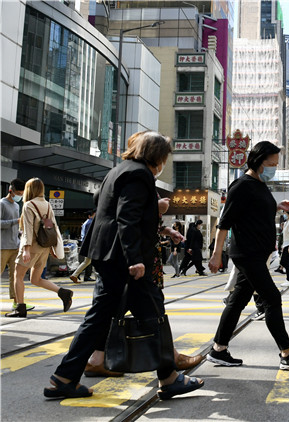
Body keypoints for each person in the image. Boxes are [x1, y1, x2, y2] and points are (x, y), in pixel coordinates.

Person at [45, 131, 204, 399]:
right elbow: (126, 218)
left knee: (104, 317)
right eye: (164, 156)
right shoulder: (139, 174)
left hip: (108, 255)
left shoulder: (118, 170)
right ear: (157, 156)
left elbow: (105, 206)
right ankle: (169, 379)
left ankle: (64, 378)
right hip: (123, 258)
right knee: (152, 313)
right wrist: (135, 259)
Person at [207, 141, 289, 371]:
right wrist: (217, 255)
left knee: (237, 301)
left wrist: (278, 206)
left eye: (276, 163)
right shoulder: (241, 186)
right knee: (272, 298)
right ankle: (287, 353)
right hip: (248, 254)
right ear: (257, 161)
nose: (273, 168)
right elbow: (224, 223)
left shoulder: (259, 185)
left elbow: (254, 210)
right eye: (271, 163)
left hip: (257, 253)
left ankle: (218, 349)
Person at [5, 178, 73, 318]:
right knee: (35, 279)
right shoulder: (47, 204)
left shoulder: (29, 205)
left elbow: (28, 230)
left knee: (18, 275)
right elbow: (54, 227)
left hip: (33, 246)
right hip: (45, 248)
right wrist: (54, 248)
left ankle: (20, 308)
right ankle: (63, 292)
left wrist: (26, 249)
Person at [1, 178, 25, 309]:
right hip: (2, 246)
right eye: (19, 194)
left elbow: (16, 225)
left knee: (15, 277)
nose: (20, 196)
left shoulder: (17, 206)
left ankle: (17, 303)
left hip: (15, 245)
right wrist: (15, 221)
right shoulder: (1, 204)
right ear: (11, 191)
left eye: (22, 194)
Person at [69, 210, 96, 284]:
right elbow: (89, 236)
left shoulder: (88, 222)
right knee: (94, 261)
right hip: (91, 245)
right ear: (91, 215)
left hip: (89, 245)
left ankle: (74, 275)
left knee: (87, 262)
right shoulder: (90, 223)